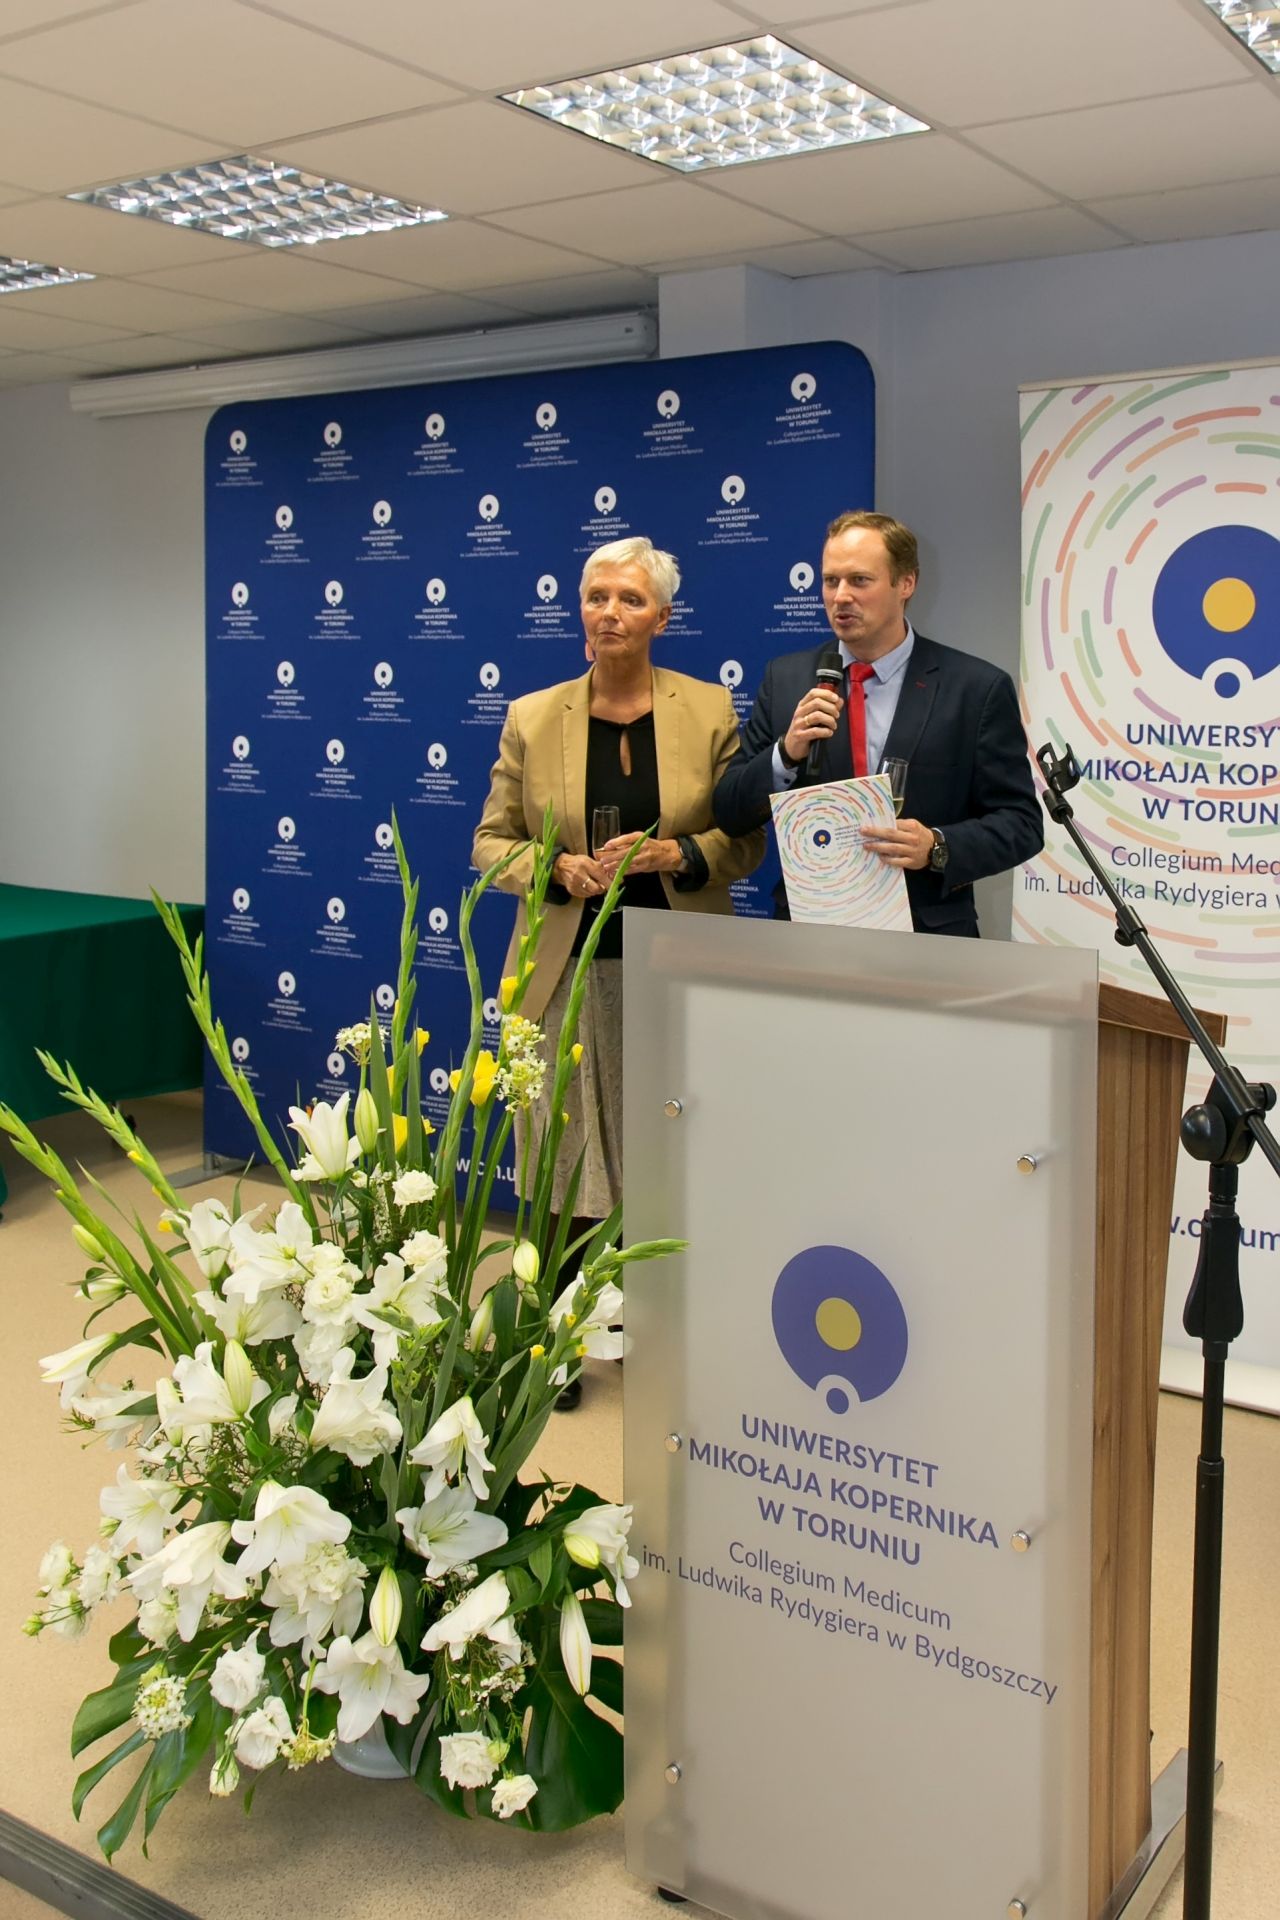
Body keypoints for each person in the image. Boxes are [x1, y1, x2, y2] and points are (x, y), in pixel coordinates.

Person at [472, 536, 766, 1397]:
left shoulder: (708, 711)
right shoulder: (533, 716)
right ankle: (558, 1343)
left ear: (662, 618)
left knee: (670, 1156)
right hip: (564, 972)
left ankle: (666, 1332)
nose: (610, 612)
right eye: (596, 595)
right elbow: (489, 842)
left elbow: (745, 840)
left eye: (630, 599)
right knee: (564, 1163)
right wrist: (553, 868)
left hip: (674, 970)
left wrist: (679, 854)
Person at [712, 510, 1043, 935]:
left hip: (925, 935)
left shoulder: (975, 689)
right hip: (809, 932)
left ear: (906, 583)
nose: (840, 596)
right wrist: (786, 753)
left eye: (859, 580)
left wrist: (937, 845)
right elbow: (730, 812)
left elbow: (1021, 823)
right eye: (830, 581)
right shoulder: (786, 679)